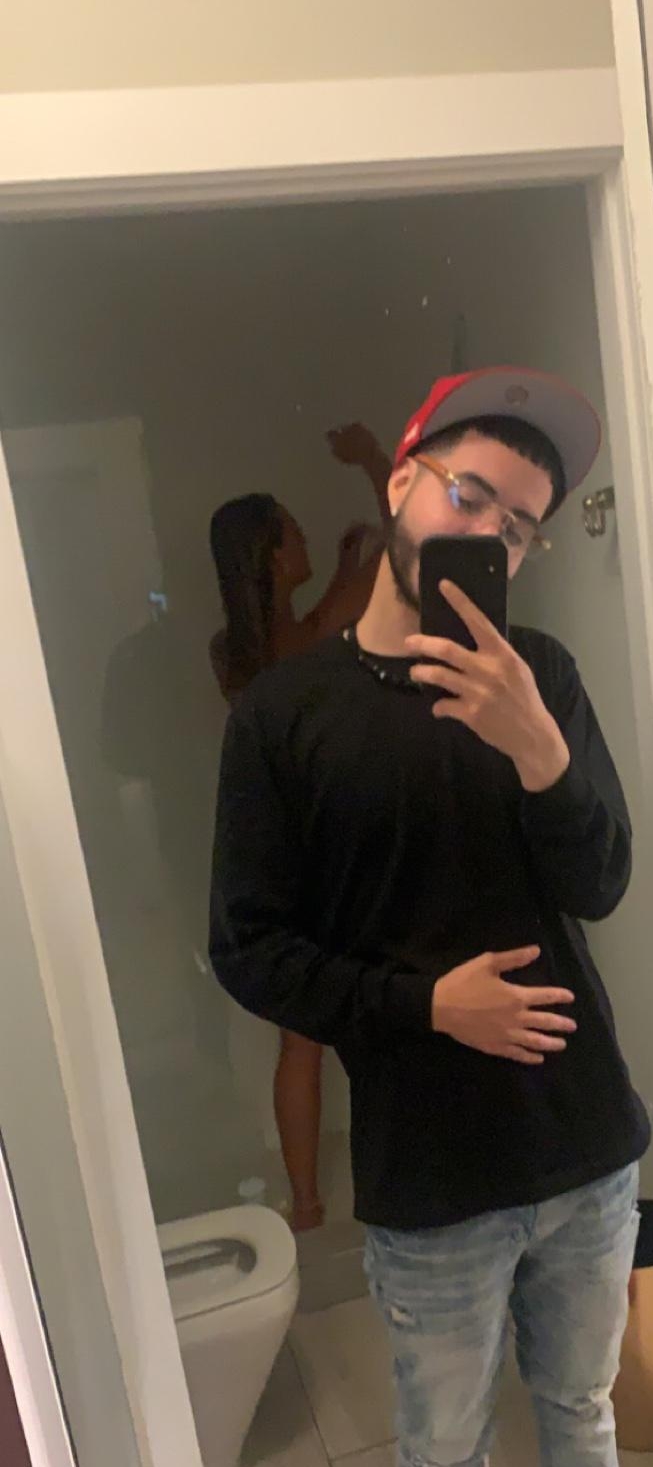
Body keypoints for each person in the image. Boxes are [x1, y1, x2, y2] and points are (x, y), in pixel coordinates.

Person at [209, 368, 653, 1467]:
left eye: (520, 522)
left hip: (583, 1144)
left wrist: (540, 748)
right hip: (431, 1170)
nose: (489, 530)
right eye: (469, 494)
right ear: (402, 483)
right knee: (439, 1455)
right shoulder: (285, 714)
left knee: (579, 1407)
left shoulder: (540, 672)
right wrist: (425, 1006)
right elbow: (248, 946)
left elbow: (601, 878)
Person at [208, 431, 387, 1228]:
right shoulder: (312, 633)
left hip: (283, 853)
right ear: (275, 558)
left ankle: (306, 1202)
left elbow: (304, 629)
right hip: (338, 844)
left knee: (299, 1043)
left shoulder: (230, 651)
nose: (306, 537)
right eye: (293, 532)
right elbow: (407, 546)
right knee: (386, 1014)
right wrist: (375, 461)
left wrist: (343, 573)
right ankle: (391, 1183)